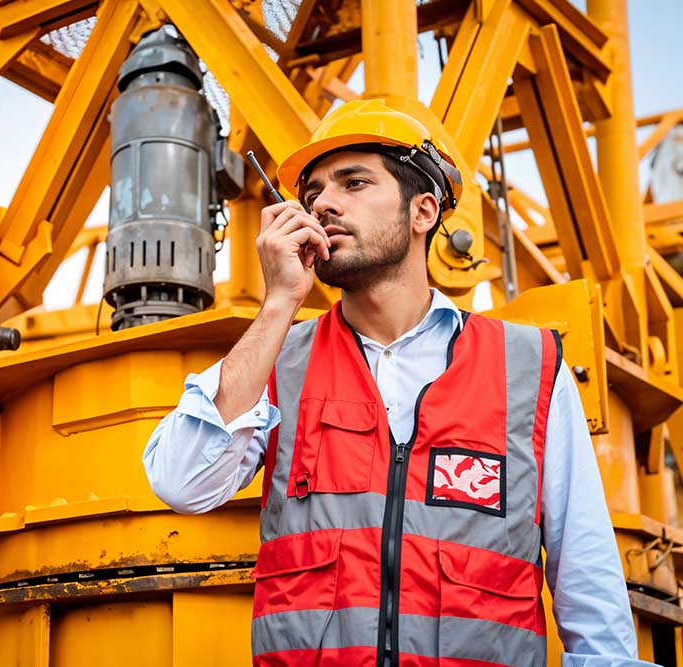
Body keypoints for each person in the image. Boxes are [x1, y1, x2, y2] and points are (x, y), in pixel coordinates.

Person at [143, 99, 650, 666]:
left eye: (353, 182)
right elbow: (182, 481)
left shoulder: (527, 367)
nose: (323, 204)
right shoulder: (278, 361)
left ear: (423, 212)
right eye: (312, 194)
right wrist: (280, 302)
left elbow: (585, 575)